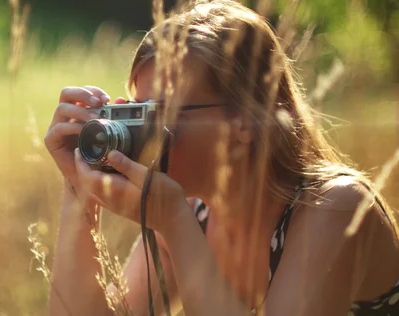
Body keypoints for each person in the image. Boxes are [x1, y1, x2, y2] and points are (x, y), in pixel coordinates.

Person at [43, 0, 399, 315]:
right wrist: (79, 191)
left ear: (244, 119)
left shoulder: (336, 206)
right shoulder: (193, 212)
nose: (146, 132)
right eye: (139, 110)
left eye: (163, 111)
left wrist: (175, 224)